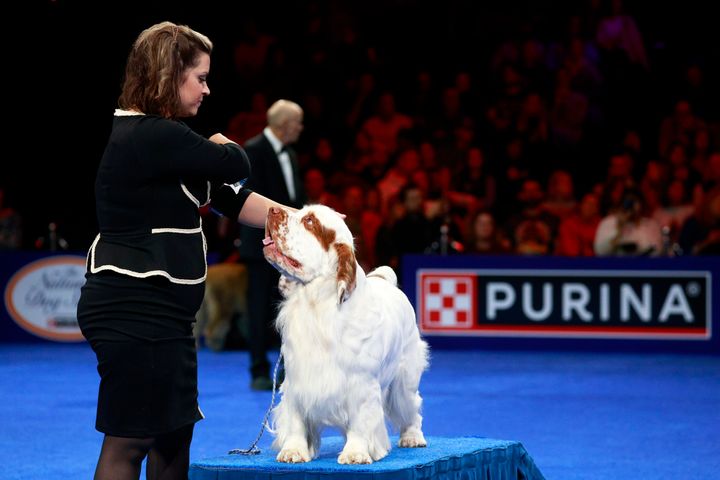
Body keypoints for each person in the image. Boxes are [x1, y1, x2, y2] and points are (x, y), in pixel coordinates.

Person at [76, 21, 294, 480]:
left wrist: (306, 221)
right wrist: (223, 145)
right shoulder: (151, 134)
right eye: (200, 77)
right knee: (131, 439)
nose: (207, 89)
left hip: (162, 314)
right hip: (133, 308)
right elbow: (236, 162)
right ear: (167, 76)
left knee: (173, 436)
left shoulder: (166, 140)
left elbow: (231, 196)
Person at [238, 99, 306, 390]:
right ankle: (258, 370)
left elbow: (293, 199)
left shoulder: (289, 153)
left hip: (289, 247)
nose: (301, 128)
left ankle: (286, 369)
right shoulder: (252, 150)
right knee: (258, 308)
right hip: (259, 245)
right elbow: (247, 200)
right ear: (284, 124)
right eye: (298, 122)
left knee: (287, 306)